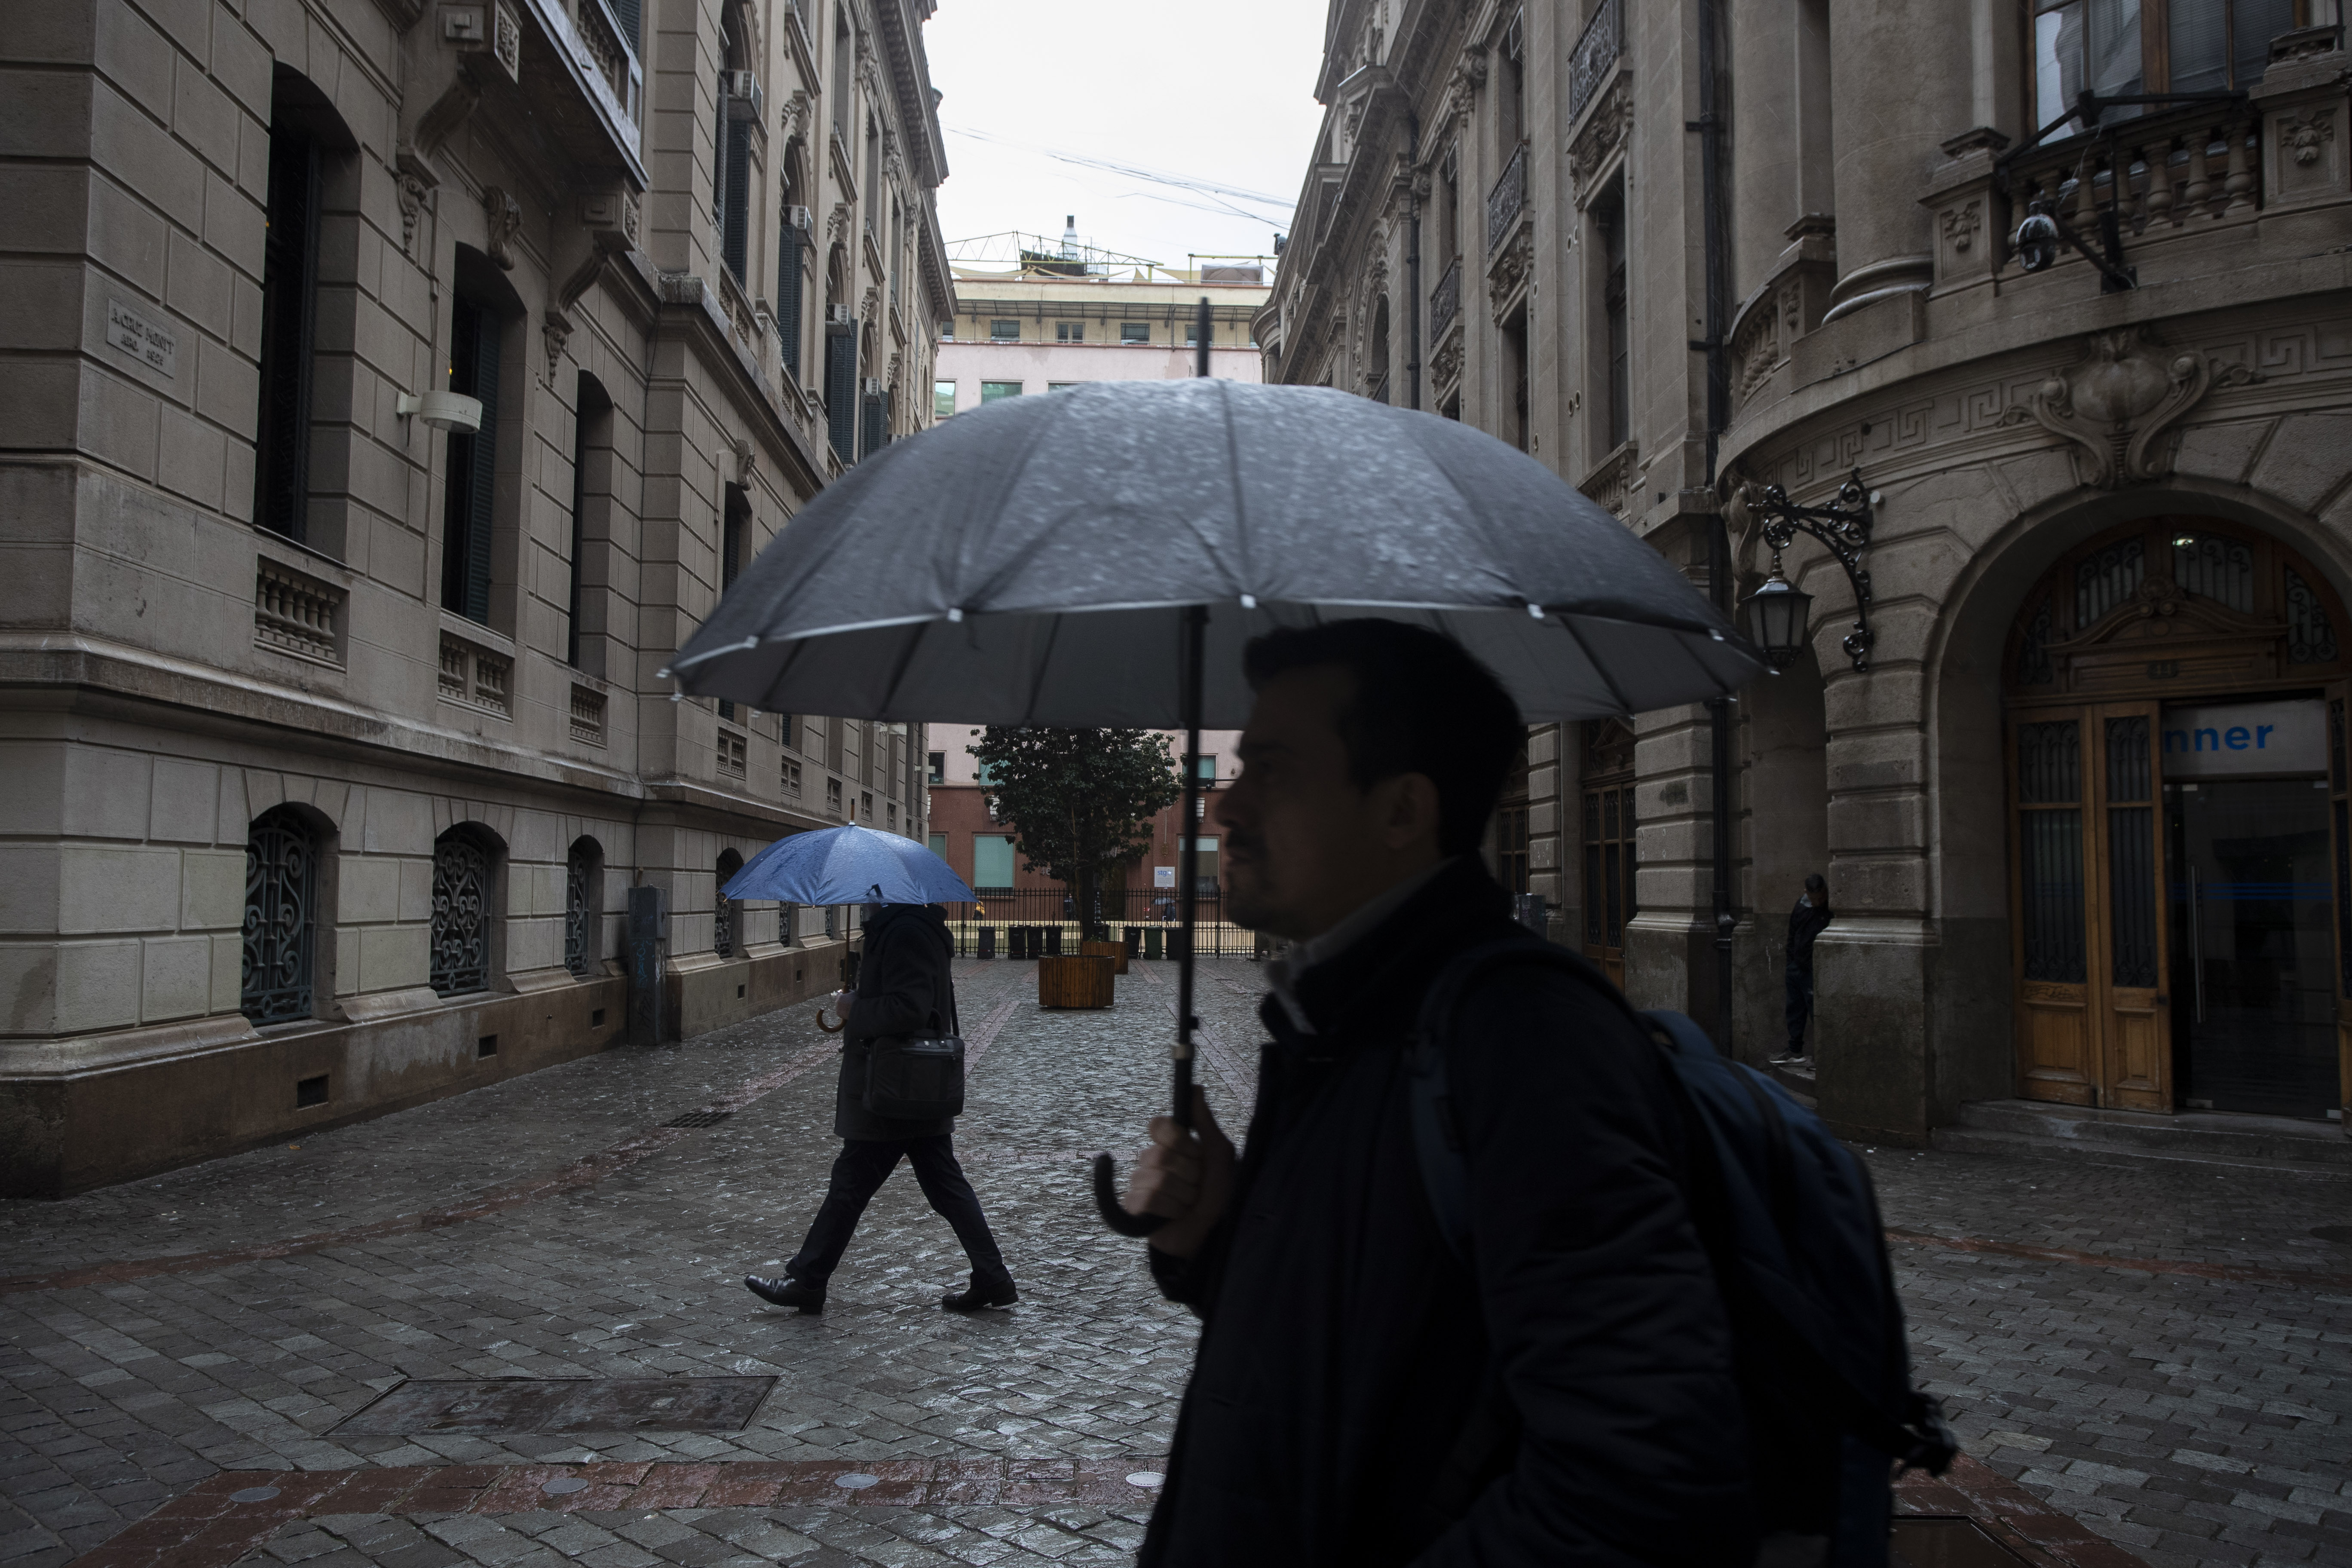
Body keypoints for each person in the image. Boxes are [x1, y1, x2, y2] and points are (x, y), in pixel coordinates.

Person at [1121, 619, 1754, 1567]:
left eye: (1274, 769)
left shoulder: (1522, 1043)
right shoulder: (1343, 1018)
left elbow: (1642, 1482)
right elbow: (1375, 1358)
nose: (1226, 809)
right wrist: (1211, 1243)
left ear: (1401, 812)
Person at [743, 901, 1015, 1314]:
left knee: (851, 1185)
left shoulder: (906, 932)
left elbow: (910, 1007)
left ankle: (808, 1280)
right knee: (944, 1187)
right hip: (907, 1087)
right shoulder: (900, 928)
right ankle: (993, 1277)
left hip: (895, 1089)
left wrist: (855, 1009)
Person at [1778, 874, 1832, 1065]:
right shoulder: (1801, 905)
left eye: (1821, 898)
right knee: (1795, 1009)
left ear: (1826, 892)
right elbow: (1792, 935)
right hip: (1796, 967)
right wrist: (1790, 963)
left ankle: (1823, 1056)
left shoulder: (1829, 908)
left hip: (1813, 968)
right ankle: (1795, 1051)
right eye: (1814, 898)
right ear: (1806, 893)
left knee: (1815, 1010)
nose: (1818, 902)